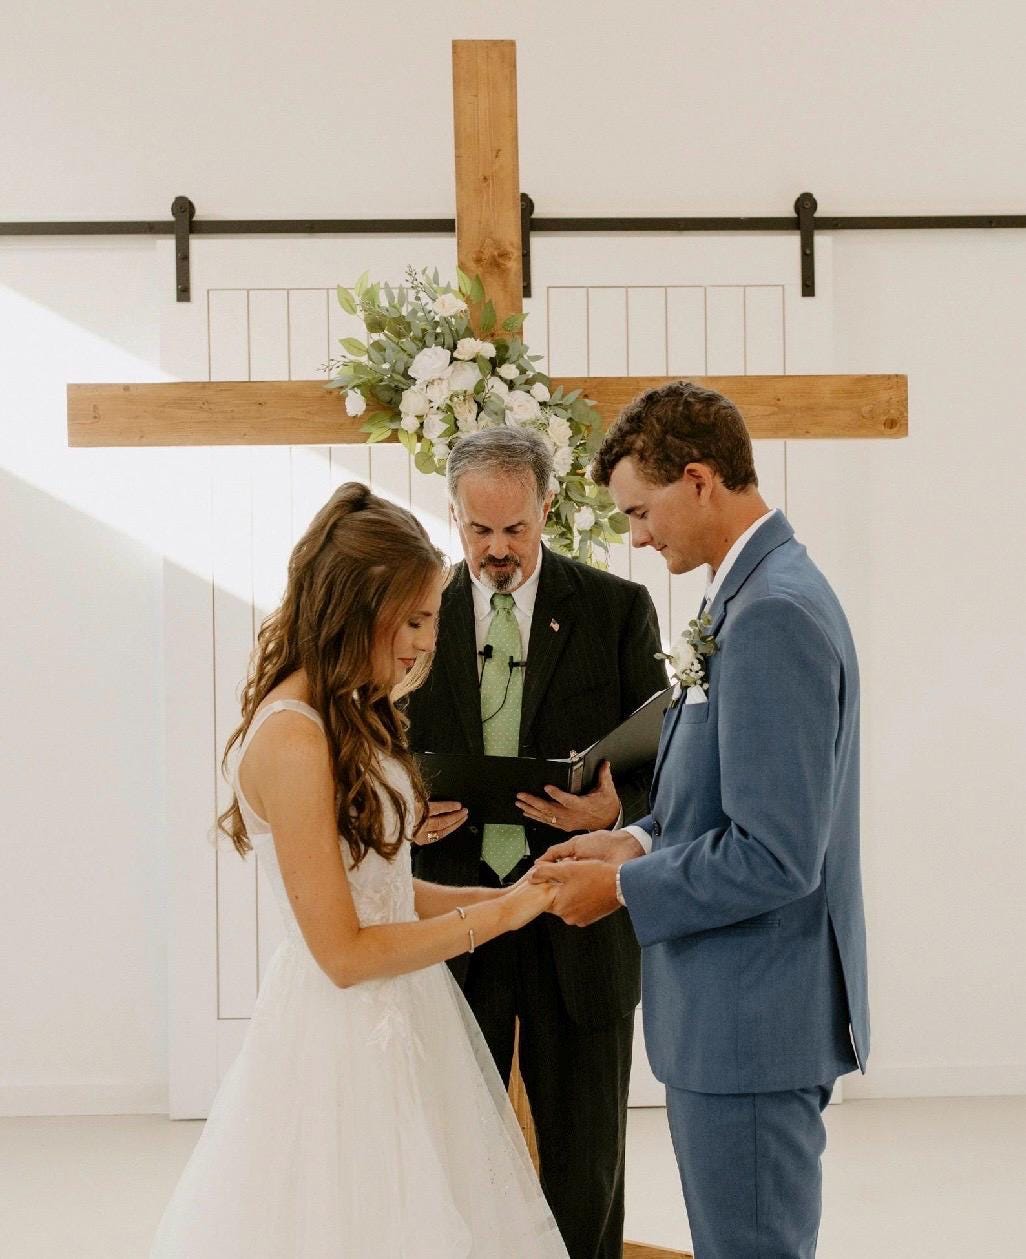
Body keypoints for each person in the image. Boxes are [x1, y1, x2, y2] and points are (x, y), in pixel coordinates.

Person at [151, 483, 568, 1259]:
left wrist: (513, 894)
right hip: (343, 1041)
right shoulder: (293, 738)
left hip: (410, 1012)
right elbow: (343, 953)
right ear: (353, 606)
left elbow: (385, 889)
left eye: (431, 620)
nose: (423, 643)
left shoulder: (345, 707)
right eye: (411, 620)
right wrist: (496, 918)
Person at [532, 382, 870, 1259]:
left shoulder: (773, 614)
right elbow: (727, 798)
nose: (638, 536)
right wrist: (639, 835)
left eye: (642, 512)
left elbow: (776, 854)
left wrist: (621, 886)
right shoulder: (747, 592)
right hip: (731, 1016)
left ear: (698, 478)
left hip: (750, 1023)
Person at [404, 426, 667, 1259]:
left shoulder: (618, 608)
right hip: (453, 921)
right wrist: (399, 814)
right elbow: (364, 758)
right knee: (452, 1158)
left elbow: (666, 768)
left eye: (515, 529)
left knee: (587, 1166)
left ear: (547, 507)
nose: (497, 551)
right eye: (478, 532)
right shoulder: (413, 616)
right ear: (453, 517)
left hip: (578, 921)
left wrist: (612, 813)